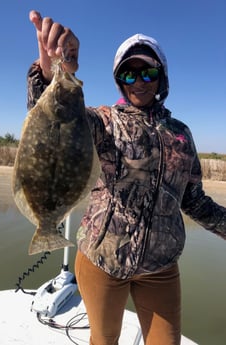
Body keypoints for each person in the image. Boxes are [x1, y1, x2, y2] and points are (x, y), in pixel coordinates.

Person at [28, 10, 226, 345]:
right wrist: (52, 73)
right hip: (101, 259)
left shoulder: (181, 134)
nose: (140, 81)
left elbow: (193, 200)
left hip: (161, 268)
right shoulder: (103, 122)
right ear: (120, 80)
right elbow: (54, 124)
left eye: (148, 72)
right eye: (130, 74)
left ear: (161, 77)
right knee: (103, 340)